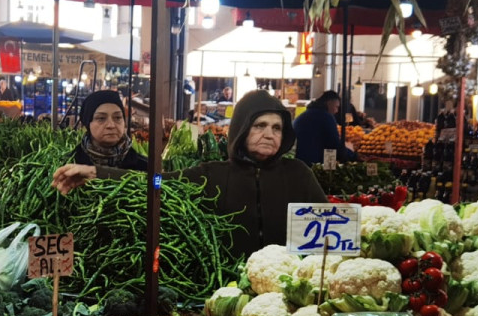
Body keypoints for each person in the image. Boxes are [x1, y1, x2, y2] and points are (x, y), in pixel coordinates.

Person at [53, 89, 328, 258]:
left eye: (276, 128)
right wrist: (96, 172)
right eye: (259, 126)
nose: (269, 134)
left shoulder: (299, 174)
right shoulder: (213, 174)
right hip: (227, 288)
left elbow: (332, 232)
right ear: (242, 130)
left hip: (289, 287)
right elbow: (156, 182)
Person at [71, 90, 147, 172]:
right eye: (101, 118)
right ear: (87, 124)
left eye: (117, 118)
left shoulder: (145, 167)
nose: (111, 125)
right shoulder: (70, 164)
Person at [294, 90, 358, 165]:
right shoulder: (326, 117)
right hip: (311, 163)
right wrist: (353, 155)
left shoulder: (308, 113)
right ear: (329, 103)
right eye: (336, 107)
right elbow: (334, 145)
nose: (337, 111)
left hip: (299, 160)